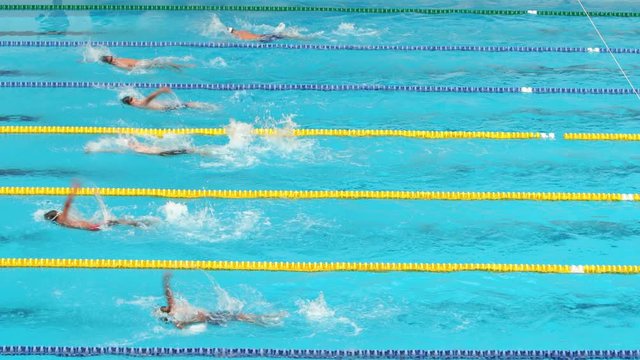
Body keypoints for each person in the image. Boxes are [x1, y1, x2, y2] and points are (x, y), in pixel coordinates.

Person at [158, 272, 286, 329]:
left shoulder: (175, 314)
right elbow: (170, 297)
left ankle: (266, 320)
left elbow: (169, 296)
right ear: (166, 312)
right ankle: (267, 320)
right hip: (211, 318)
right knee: (239, 317)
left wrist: (166, 282)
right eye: (162, 308)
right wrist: (166, 282)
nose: (163, 306)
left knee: (239, 317)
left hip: (212, 317)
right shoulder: (175, 314)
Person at [43, 182, 147, 231]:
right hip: (94, 226)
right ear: (57, 216)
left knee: (116, 222)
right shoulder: (62, 219)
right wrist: (74, 190)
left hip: (92, 227)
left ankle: (139, 224)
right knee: (117, 221)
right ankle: (143, 224)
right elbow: (67, 205)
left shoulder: (61, 223)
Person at [85, 137, 198, 157]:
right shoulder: (137, 149)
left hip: (161, 152)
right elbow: (113, 149)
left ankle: (197, 151)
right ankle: (197, 151)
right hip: (162, 153)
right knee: (185, 151)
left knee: (185, 151)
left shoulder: (137, 147)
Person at [121, 87, 208, 111]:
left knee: (188, 104)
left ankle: (205, 107)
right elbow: (149, 98)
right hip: (167, 108)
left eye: (133, 97)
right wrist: (160, 91)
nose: (135, 98)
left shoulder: (138, 104)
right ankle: (208, 108)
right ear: (131, 103)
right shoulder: (139, 104)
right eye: (132, 99)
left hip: (166, 106)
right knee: (190, 104)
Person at [100, 55, 192, 71]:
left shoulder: (116, 60)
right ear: (110, 63)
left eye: (112, 57)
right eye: (111, 59)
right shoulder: (117, 64)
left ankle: (179, 67)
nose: (113, 58)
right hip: (141, 65)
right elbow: (128, 68)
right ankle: (182, 66)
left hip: (142, 62)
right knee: (163, 63)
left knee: (162, 64)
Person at [227, 25, 301, 42]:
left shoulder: (238, 35)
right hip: (263, 35)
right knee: (283, 36)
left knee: (284, 37)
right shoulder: (242, 31)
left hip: (262, 38)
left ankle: (299, 37)